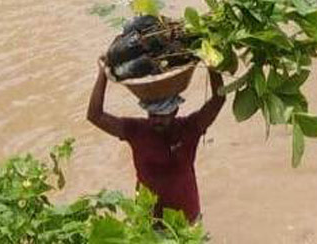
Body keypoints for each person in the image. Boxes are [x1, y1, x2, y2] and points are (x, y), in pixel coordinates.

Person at [88, 61, 225, 222]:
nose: (157, 120)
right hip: (148, 221)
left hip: (187, 221)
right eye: (153, 115)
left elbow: (218, 99)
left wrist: (211, 63)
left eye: (163, 115)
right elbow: (95, 115)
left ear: (175, 110)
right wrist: (102, 73)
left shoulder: (189, 128)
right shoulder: (136, 130)